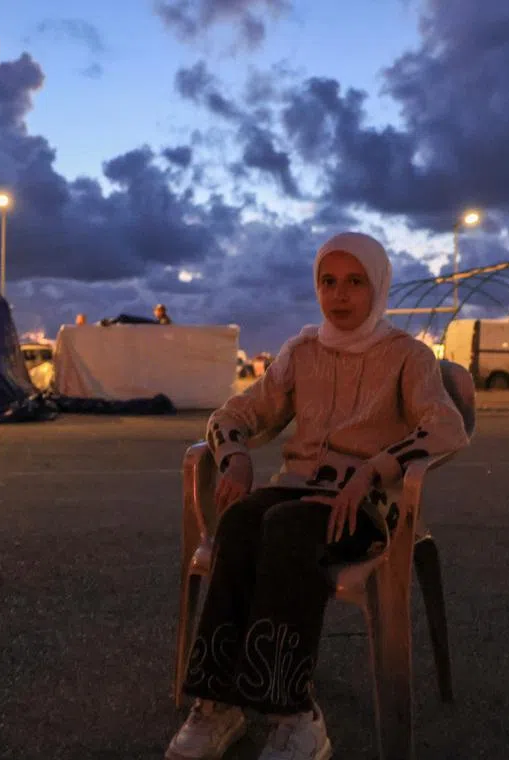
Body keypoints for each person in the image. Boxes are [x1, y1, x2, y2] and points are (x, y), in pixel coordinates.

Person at [165, 231, 470, 760]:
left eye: (355, 282)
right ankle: (219, 701)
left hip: (366, 508)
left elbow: (446, 427)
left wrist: (374, 470)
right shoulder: (302, 352)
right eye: (328, 282)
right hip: (297, 492)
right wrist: (235, 454)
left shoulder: (408, 356)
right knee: (240, 521)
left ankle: (296, 715)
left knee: (285, 529)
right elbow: (235, 413)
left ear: (378, 286)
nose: (339, 295)